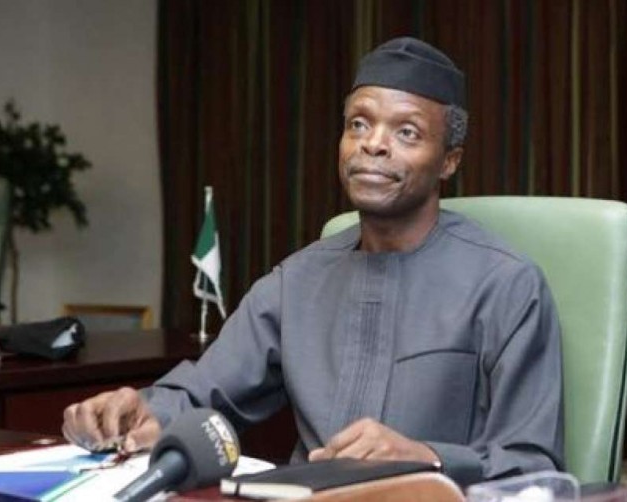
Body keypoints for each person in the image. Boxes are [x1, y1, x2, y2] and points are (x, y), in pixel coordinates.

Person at [62, 37, 564, 486]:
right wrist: (136, 412)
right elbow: (201, 395)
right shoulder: (296, 281)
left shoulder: (507, 285)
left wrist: (427, 458)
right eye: (358, 124)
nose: (373, 143)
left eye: (407, 132)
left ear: (449, 160)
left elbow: (533, 465)